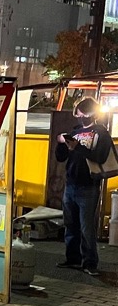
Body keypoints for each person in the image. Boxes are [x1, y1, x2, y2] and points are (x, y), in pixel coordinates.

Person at [54, 97, 112, 275]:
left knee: (87, 227)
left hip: (89, 185)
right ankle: (73, 258)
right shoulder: (75, 131)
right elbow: (61, 157)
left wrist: (76, 146)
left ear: (91, 113)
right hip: (71, 183)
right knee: (70, 224)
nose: (80, 117)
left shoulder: (101, 132)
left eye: (82, 113)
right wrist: (61, 143)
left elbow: (100, 157)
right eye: (79, 114)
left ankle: (90, 262)